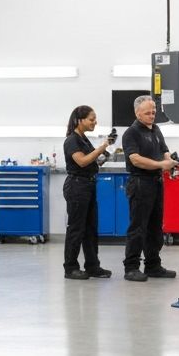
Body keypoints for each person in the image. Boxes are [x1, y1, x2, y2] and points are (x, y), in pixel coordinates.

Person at [121, 95, 178, 281]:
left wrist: (169, 160)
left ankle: (153, 265)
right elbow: (135, 159)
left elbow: (164, 150)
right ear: (137, 113)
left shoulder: (156, 129)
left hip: (156, 182)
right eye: (148, 113)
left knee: (155, 227)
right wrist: (161, 165)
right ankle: (131, 267)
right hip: (140, 183)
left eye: (153, 112)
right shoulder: (131, 133)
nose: (152, 115)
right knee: (138, 227)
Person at [62, 106, 116, 279]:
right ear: (79, 120)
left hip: (88, 185)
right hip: (77, 186)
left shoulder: (83, 139)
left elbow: (92, 162)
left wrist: (105, 154)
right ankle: (70, 268)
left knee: (91, 229)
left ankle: (93, 266)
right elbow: (82, 161)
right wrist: (102, 146)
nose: (95, 122)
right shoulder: (72, 140)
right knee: (76, 228)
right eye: (91, 119)